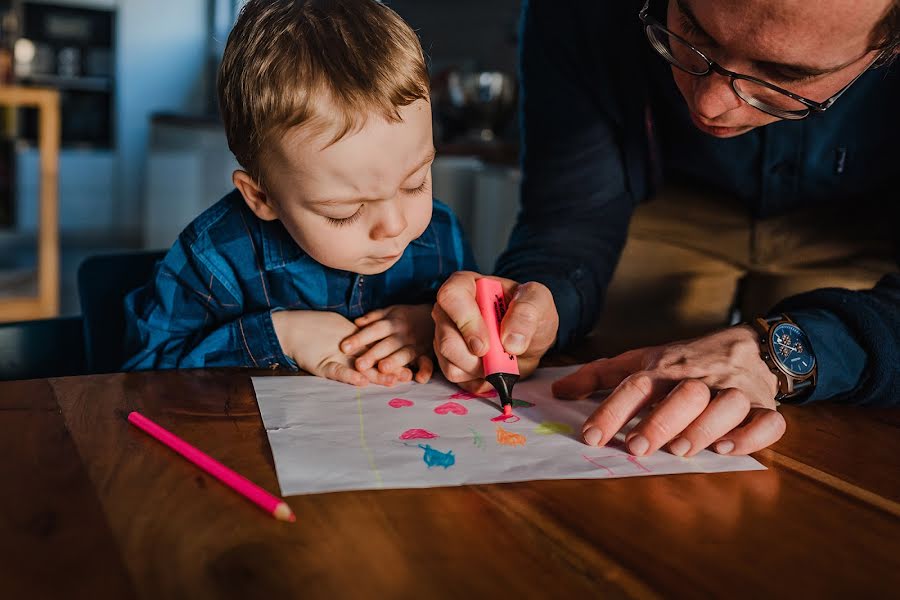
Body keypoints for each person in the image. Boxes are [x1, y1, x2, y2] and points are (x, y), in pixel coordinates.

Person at [433, 0, 899, 457]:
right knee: (614, 383)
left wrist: (789, 351)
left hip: (870, 233)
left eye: (787, 74)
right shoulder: (581, 9)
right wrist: (540, 301)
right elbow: (570, 221)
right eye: (693, 31)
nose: (712, 106)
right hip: (663, 200)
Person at [123, 0, 476, 386]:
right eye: (344, 211)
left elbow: (480, 335)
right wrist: (280, 336)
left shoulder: (441, 234)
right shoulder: (214, 259)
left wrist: (434, 324)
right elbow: (142, 376)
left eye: (415, 183)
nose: (395, 225)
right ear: (263, 198)